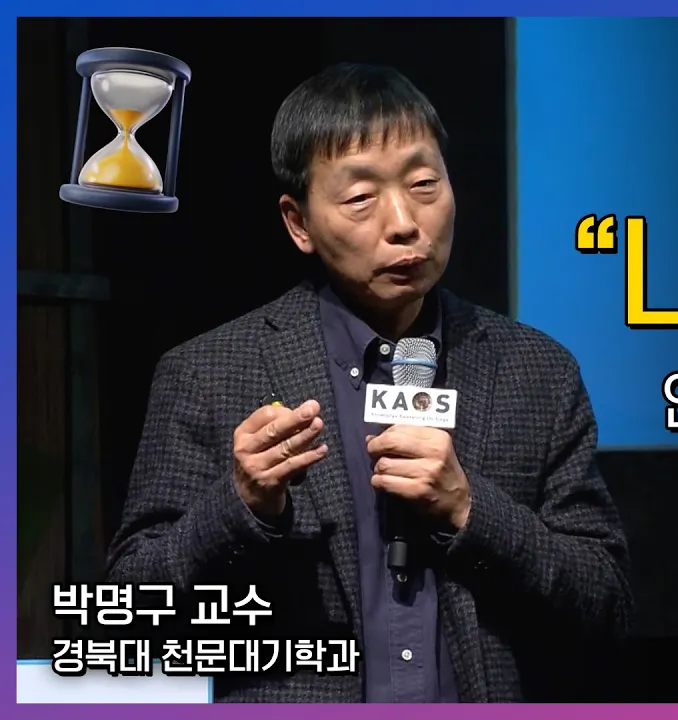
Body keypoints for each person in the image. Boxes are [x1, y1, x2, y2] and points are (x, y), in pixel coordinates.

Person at [105, 63, 632, 703]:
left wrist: (471, 511)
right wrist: (240, 506)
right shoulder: (208, 372)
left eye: (424, 183)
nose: (404, 221)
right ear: (299, 223)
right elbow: (129, 611)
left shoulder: (536, 371)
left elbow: (606, 604)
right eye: (360, 198)